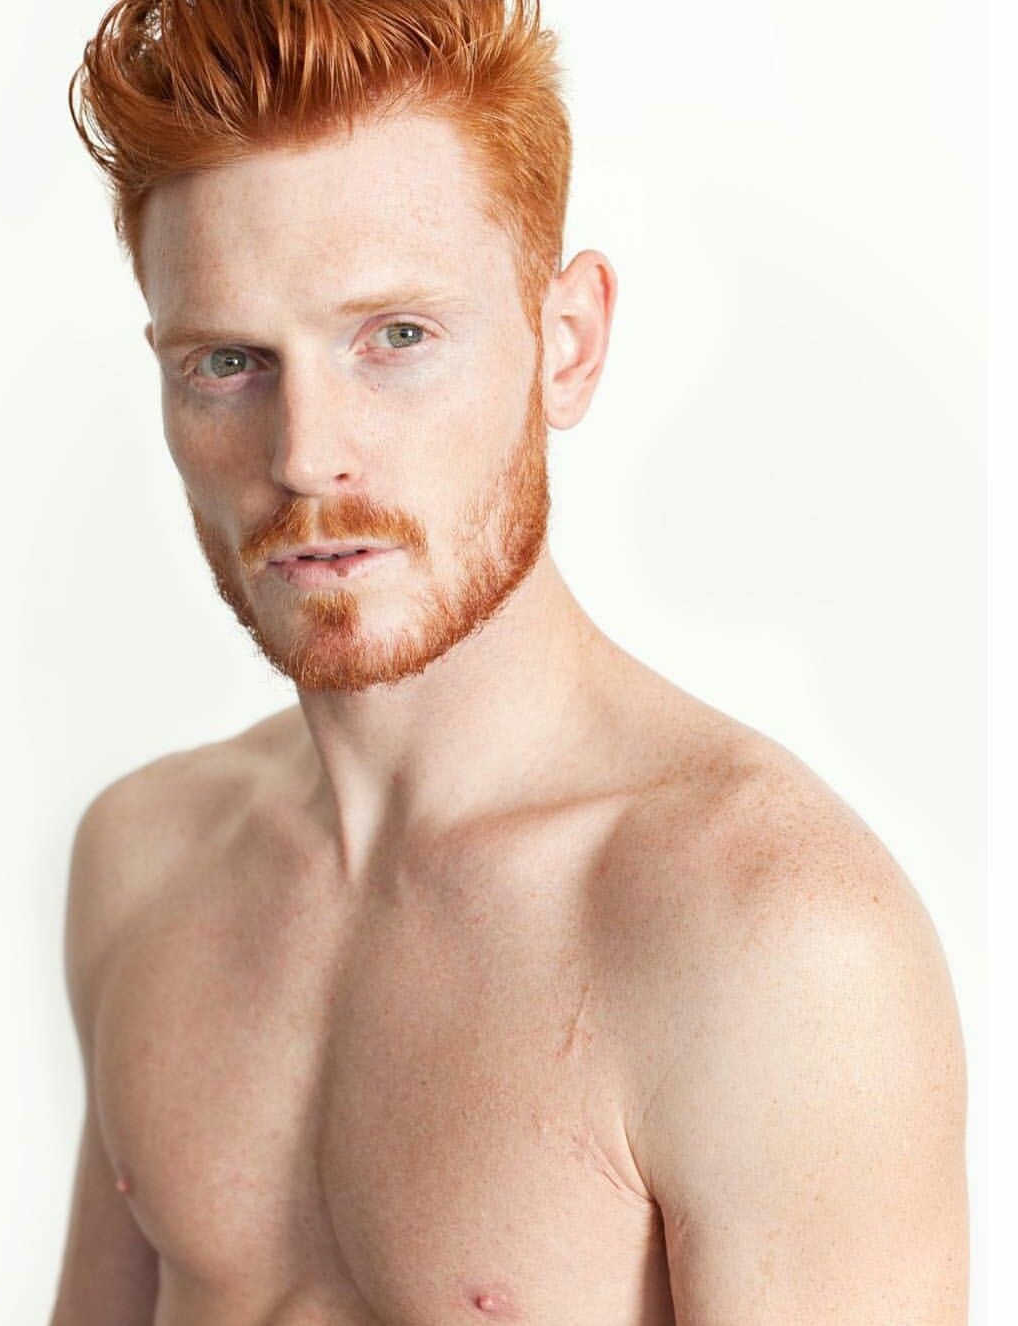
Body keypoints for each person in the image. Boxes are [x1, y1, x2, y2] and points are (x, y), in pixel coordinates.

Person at [51, 2, 969, 1322]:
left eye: (397, 337)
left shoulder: (772, 940)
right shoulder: (143, 862)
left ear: (568, 343)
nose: (306, 455)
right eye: (230, 362)